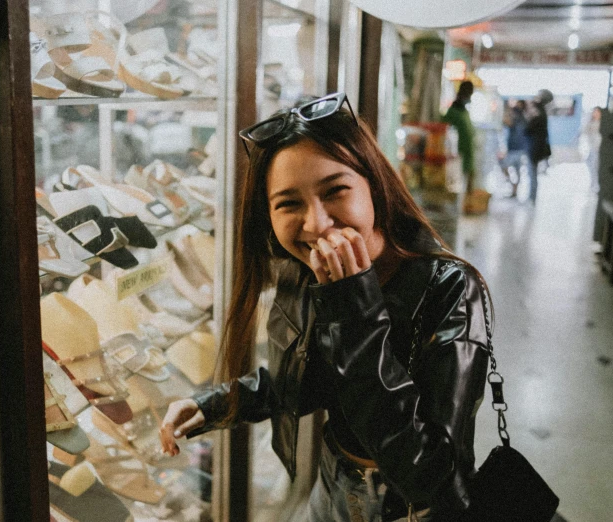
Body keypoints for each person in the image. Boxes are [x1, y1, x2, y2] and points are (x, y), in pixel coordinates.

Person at [159, 93, 492, 521]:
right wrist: (213, 404)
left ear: (373, 184)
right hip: (335, 486)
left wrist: (355, 305)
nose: (316, 223)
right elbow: (304, 380)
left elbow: (427, 472)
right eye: (289, 204)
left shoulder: (448, 287)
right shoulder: (307, 270)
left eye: (335, 191)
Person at [441, 80, 476, 194]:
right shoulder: (453, 112)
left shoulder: (464, 111)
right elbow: (444, 131)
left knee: (467, 187)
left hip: (467, 155)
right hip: (456, 157)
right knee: (456, 188)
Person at [524, 89, 553, 204]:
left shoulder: (538, 114)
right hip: (536, 148)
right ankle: (532, 197)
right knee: (532, 174)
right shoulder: (542, 113)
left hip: (534, 149)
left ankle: (532, 198)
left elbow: (528, 130)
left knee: (533, 174)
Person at [499, 99, 530, 197]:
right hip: (515, 149)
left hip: (518, 150)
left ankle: (515, 189)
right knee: (507, 167)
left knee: (516, 171)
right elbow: (505, 122)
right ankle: (514, 187)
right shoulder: (521, 118)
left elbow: (506, 121)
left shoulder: (522, 118)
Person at [581, 106, 602, 193]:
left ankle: (596, 184)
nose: (595, 113)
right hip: (592, 147)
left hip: (599, 148)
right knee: (590, 164)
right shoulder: (591, 122)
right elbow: (584, 131)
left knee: (595, 166)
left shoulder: (603, 123)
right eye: (594, 111)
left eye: (597, 111)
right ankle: (593, 183)